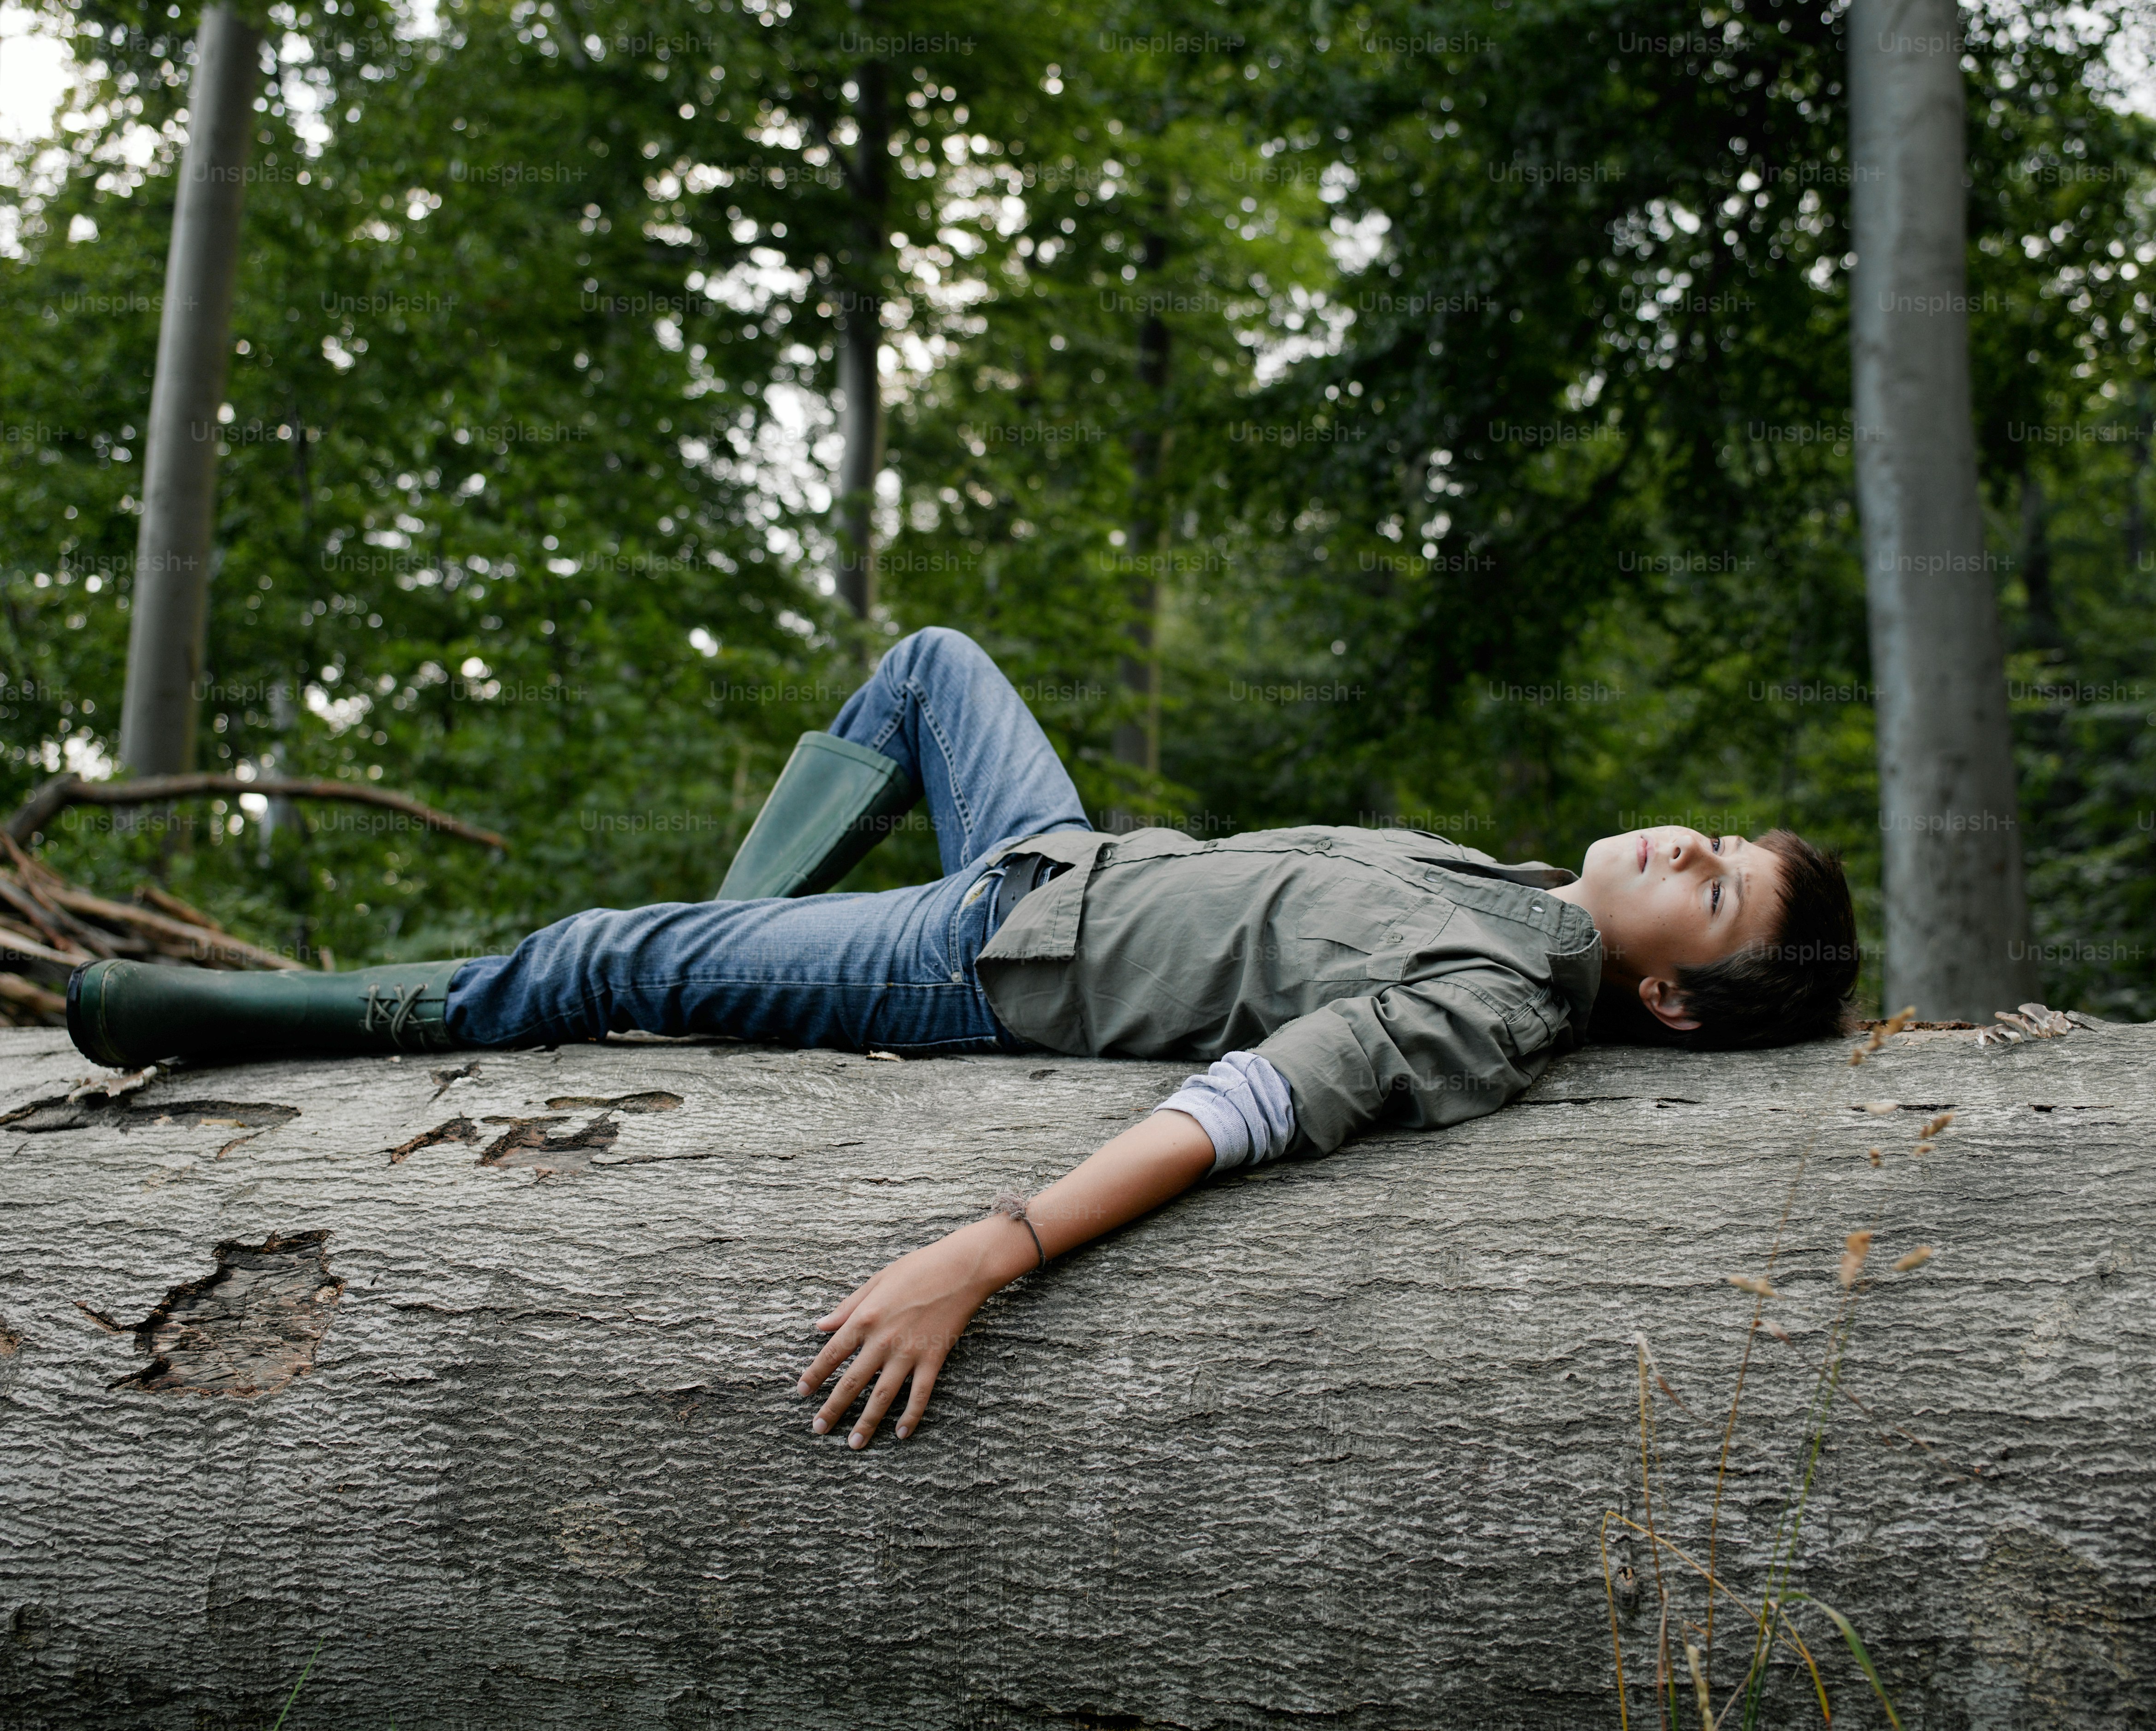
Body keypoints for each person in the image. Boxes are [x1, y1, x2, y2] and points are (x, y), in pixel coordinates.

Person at [68, 626, 1859, 1450]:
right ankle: (723, 959)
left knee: (595, 948)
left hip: (989, 955)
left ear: (1677, 998)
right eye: (1717, 835)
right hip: (1053, 855)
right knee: (930, 663)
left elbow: (1247, 1106)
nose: (1693, 847)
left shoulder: (1503, 999)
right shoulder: (1508, 889)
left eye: (1716, 897)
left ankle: (255, 1022)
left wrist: (984, 1256)